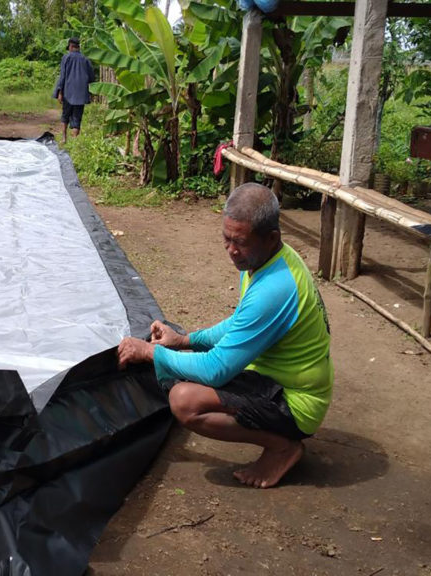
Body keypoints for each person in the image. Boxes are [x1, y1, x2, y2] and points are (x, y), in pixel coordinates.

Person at [117, 183, 333, 489]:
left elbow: (215, 370)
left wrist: (150, 353)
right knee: (181, 371)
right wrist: (184, 340)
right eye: (226, 239)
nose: (231, 250)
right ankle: (277, 436)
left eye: (240, 242)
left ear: (272, 237)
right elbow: (239, 324)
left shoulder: (275, 289)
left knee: (185, 400)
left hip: (297, 400)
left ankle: (282, 446)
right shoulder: (267, 259)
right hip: (274, 378)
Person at [52, 37, 96, 143]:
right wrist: (91, 92)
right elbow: (91, 78)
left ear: (71, 47)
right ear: (78, 47)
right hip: (81, 94)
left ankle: (64, 138)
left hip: (68, 93)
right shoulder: (86, 60)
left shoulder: (66, 58)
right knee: (77, 117)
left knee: (65, 115)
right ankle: (75, 140)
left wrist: (59, 92)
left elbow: (62, 77)